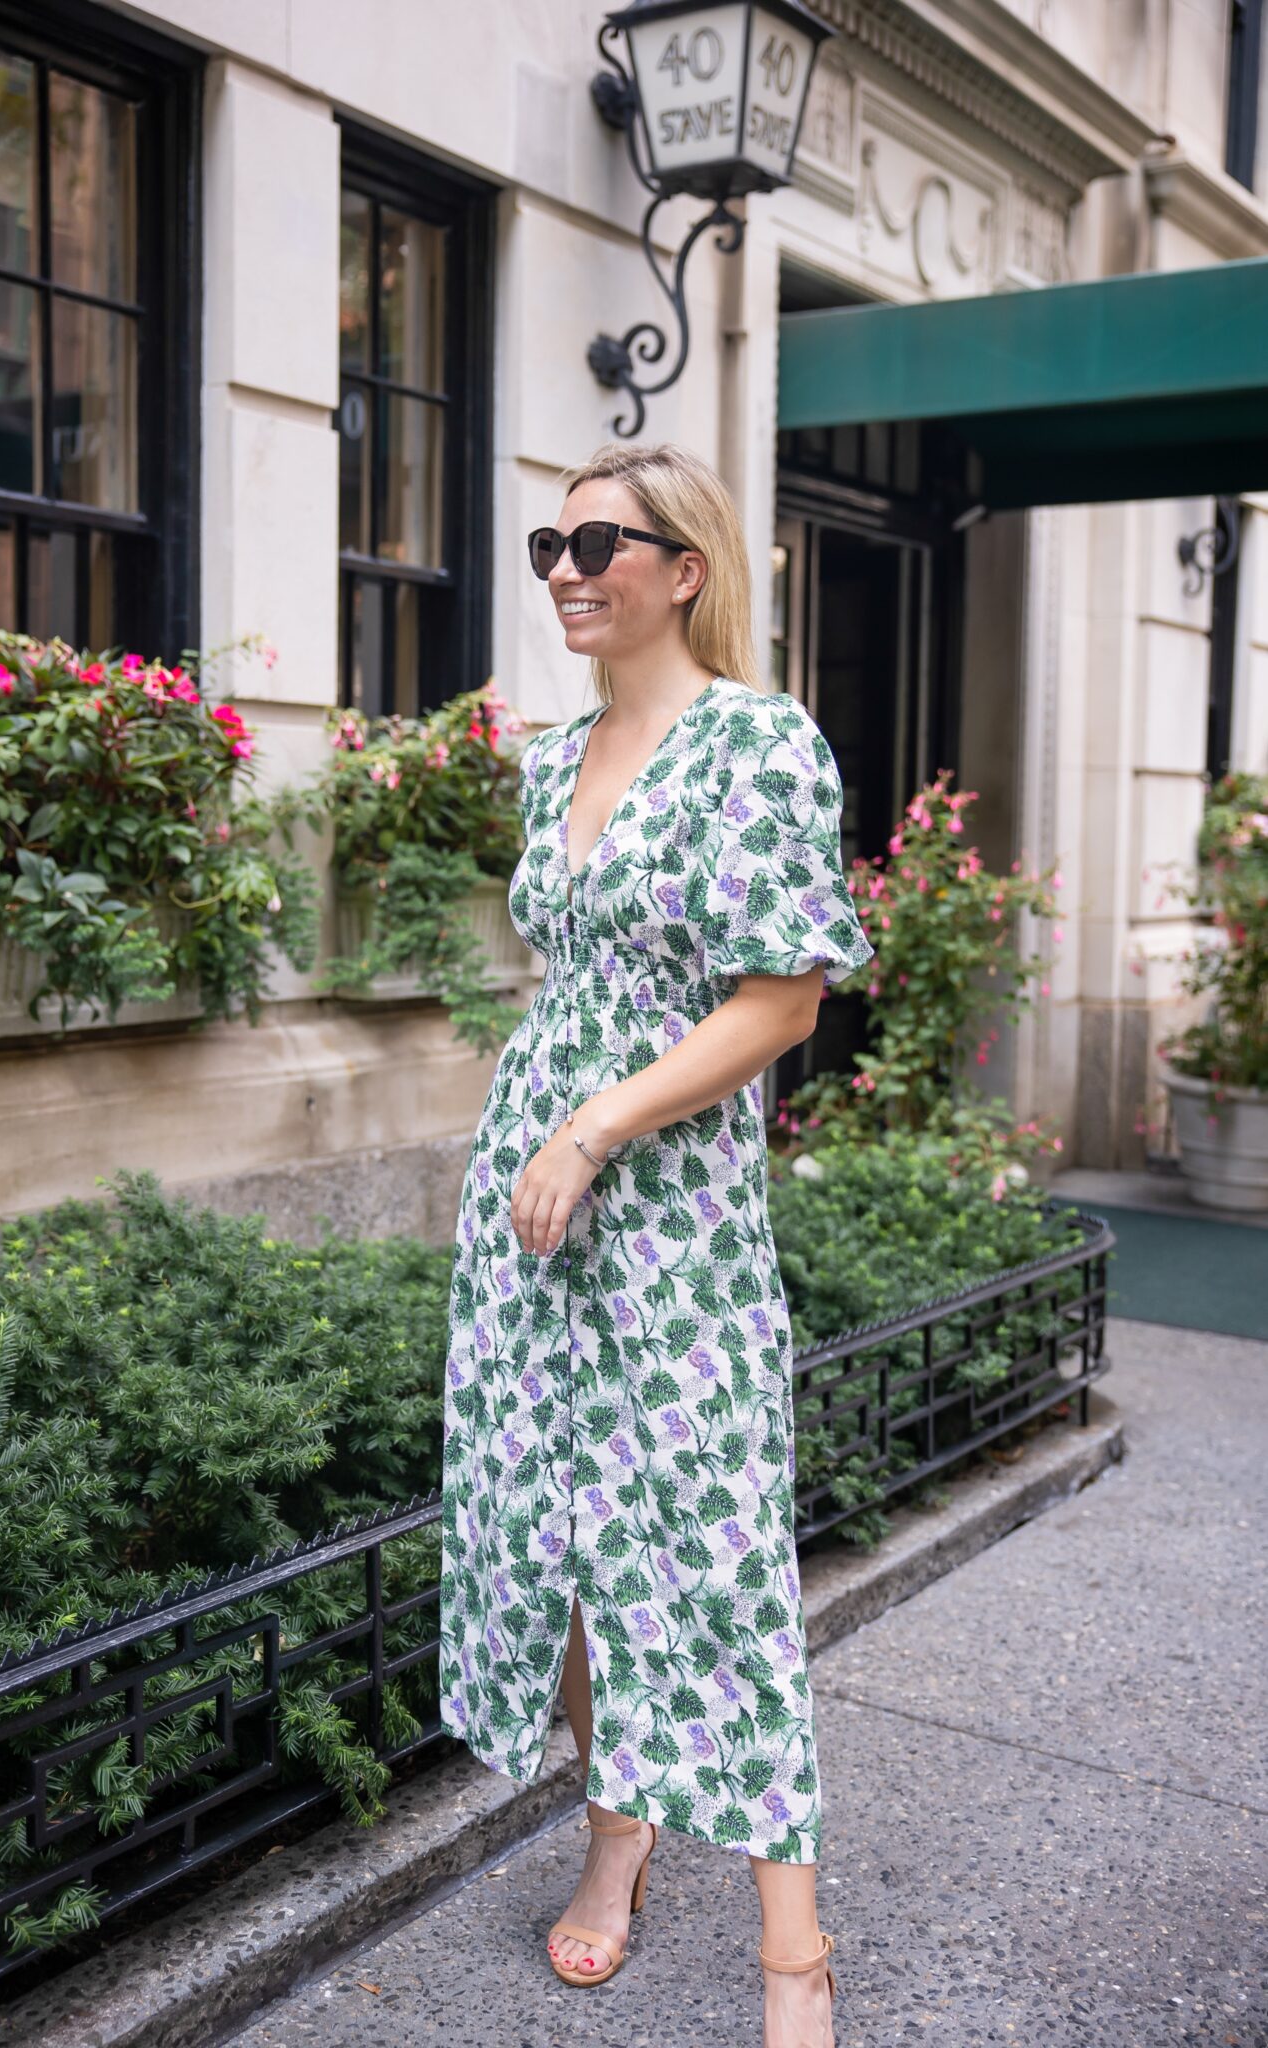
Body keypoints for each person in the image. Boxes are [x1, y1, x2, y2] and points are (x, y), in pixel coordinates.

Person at [438, 441, 875, 2048]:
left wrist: (595, 1126)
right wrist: (539, 1136)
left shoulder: (757, 742)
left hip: (664, 1199)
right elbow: (569, 979)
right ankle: (616, 1834)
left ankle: (792, 1951)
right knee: (548, 1530)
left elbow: (781, 998)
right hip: (532, 1190)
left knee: (710, 1540)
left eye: (597, 541)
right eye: (549, 538)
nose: (562, 565)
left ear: (681, 568)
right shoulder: (552, 763)